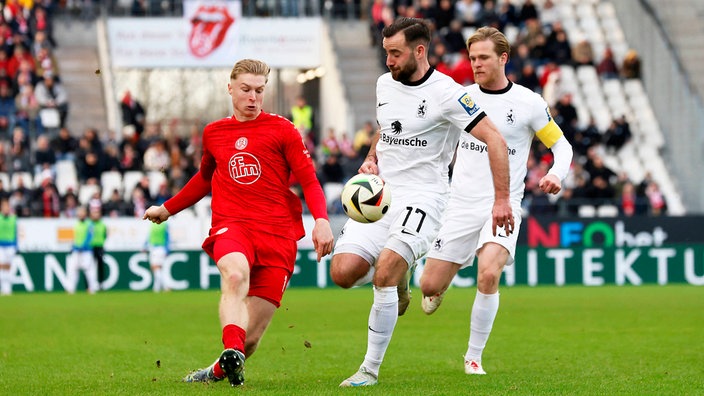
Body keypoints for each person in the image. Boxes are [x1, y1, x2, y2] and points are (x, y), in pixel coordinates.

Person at [331, 18, 512, 387]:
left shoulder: (448, 93)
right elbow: (387, 126)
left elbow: (494, 138)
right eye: (385, 53)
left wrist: (502, 199)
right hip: (381, 193)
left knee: (383, 271)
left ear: (419, 50)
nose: (388, 61)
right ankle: (400, 281)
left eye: (395, 53)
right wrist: (371, 157)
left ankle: (369, 369)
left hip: (425, 197)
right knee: (343, 273)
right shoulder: (385, 84)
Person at [142, 59, 334, 387]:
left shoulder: (284, 130)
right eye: (245, 89)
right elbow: (205, 179)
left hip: (278, 235)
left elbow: (310, 181)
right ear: (230, 88)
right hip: (233, 225)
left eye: (259, 91)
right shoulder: (214, 133)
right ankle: (230, 349)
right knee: (234, 275)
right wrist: (168, 208)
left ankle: (218, 369)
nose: (253, 97)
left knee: (251, 341)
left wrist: (321, 221)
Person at [419, 27, 573, 376]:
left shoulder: (529, 103)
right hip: (458, 207)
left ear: (503, 58)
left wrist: (556, 174)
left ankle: (473, 357)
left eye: (483, 57)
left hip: (502, 206)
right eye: (472, 58)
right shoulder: (461, 98)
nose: (476, 64)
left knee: (489, 274)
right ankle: (437, 285)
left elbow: (561, 146)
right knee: (428, 285)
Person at [67, 206, 100, 294]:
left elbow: (90, 236)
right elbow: (75, 237)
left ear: (85, 214)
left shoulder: (89, 224)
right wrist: (74, 246)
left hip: (86, 251)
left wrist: (83, 246)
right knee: (73, 269)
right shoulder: (76, 224)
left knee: (89, 270)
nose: (80, 214)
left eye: (82, 212)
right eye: (79, 213)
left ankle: (92, 289)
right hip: (76, 250)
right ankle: (71, 289)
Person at [145, 221, 169, 292]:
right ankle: (156, 288)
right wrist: (167, 250)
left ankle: (165, 286)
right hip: (162, 249)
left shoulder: (152, 225)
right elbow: (168, 237)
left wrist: (144, 246)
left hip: (154, 249)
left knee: (155, 268)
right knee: (159, 269)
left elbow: (149, 237)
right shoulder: (165, 225)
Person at [0, 199, 17, 296]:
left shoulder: (13, 218)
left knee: (8, 267)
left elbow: (16, 233)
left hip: (10, 246)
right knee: (1, 265)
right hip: (0, 245)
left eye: (7, 206)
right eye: (4, 206)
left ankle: (7, 288)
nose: (6, 208)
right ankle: (3, 287)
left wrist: (16, 246)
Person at [89, 206, 108, 290]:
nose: (96, 215)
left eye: (97, 213)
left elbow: (105, 235)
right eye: (94, 214)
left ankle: (101, 284)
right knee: (90, 267)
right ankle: (90, 285)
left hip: (100, 247)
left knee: (100, 266)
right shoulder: (89, 224)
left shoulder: (102, 225)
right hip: (91, 247)